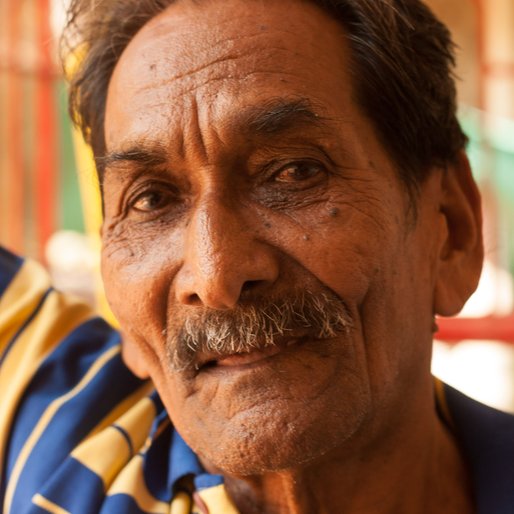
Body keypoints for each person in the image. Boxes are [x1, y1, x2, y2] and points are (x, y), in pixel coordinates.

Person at [1, 0, 513, 512]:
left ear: (452, 231)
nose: (215, 275)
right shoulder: (50, 425)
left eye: (293, 172)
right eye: (150, 200)